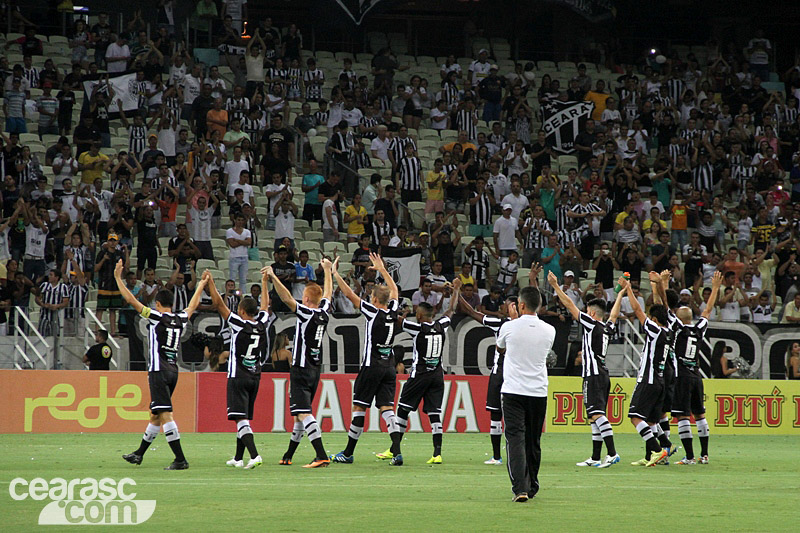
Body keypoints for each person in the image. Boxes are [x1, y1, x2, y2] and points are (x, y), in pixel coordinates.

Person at [116, 259, 207, 470]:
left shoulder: (156, 317)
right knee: (156, 415)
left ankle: (180, 459)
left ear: (157, 304)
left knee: (165, 415)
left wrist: (117, 278)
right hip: (173, 371)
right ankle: (139, 454)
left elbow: (131, 301)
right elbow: (192, 306)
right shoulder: (180, 318)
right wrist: (201, 284)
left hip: (158, 371)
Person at [379, 279, 461, 466]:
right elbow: (451, 310)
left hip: (420, 376)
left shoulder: (417, 328)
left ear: (420, 315)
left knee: (402, 410)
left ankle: (394, 449)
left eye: (417, 313)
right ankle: (437, 453)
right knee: (434, 413)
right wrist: (456, 290)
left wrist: (391, 303)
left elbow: (395, 319)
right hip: (437, 375)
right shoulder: (442, 325)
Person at [549, 271, 627, 468]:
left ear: (591, 314)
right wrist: (620, 293)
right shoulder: (607, 328)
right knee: (594, 416)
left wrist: (556, 286)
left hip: (592, 375)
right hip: (602, 374)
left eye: (586, 311)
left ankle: (612, 453)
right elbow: (614, 315)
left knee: (597, 414)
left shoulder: (591, 324)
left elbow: (570, 305)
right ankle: (595, 457)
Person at [330, 253, 401, 464]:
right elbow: (395, 291)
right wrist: (383, 270)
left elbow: (349, 294)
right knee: (387, 409)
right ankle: (397, 452)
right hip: (389, 367)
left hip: (372, 366)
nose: (369, 299)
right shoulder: (393, 311)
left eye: (371, 297)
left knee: (359, 407)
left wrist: (335, 274)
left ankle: (348, 453)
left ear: (375, 300)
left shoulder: (373, 312)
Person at [265, 258, 334, 468]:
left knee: (303, 413)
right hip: (315, 370)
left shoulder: (306, 313)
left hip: (301, 369)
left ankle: (321, 454)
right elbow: (328, 294)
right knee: (298, 415)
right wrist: (328, 270)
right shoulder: (324, 312)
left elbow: (286, 298)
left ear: (306, 299)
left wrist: (273, 276)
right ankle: (288, 454)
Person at [206, 268, 272, 470]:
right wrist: (264, 282)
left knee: (240, 418)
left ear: (242, 311)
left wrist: (210, 282)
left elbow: (219, 304)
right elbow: (265, 306)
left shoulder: (238, 323)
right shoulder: (262, 323)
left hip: (238, 376)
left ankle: (255, 455)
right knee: (242, 417)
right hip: (255, 376)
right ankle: (238, 457)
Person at [497, 285, 555, 502]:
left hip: (513, 391)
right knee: (533, 440)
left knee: (515, 439)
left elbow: (500, 348)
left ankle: (520, 488)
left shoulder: (508, 327)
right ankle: (532, 485)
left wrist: (513, 321)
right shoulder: (550, 330)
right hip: (538, 391)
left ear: (520, 305)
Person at [458, 287, 522, 465]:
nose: (502, 307)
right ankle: (513, 455)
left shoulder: (501, 324)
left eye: (506, 305)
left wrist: (457, 293)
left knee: (497, 415)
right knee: (514, 417)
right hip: (518, 375)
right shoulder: (527, 326)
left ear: (513, 307)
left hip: (501, 374)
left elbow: (472, 313)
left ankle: (497, 456)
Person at [669, 271, 722, 465]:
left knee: (683, 416)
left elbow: (665, 307)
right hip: (696, 375)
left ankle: (690, 457)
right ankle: (705, 455)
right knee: (700, 415)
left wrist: (663, 284)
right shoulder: (698, 328)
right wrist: (715, 287)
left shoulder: (678, 328)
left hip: (681, 376)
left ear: (678, 317)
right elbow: (707, 310)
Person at [623, 276, 671, 468]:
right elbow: (663, 308)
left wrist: (628, 288)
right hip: (659, 381)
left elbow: (637, 310)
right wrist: (657, 286)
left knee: (635, 417)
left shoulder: (655, 330)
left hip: (648, 380)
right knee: (651, 422)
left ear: (654, 320)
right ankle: (661, 449)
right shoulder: (668, 331)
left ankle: (658, 450)